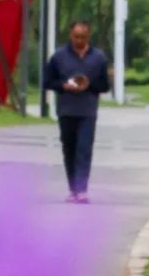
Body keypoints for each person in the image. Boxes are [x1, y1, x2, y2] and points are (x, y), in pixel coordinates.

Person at [44, 18, 110, 203]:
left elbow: (105, 86)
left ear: (88, 36)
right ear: (70, 35)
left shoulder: (98, 57)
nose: (79, 40)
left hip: (87, 111)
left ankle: (82, 190)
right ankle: (73, 189)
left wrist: (88, 85)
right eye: (76, 36)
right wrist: (64, 85)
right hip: (66, 110)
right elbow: (47, 82)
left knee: (84, 149)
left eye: (83, 36)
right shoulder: (58, 57)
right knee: (70, 150)